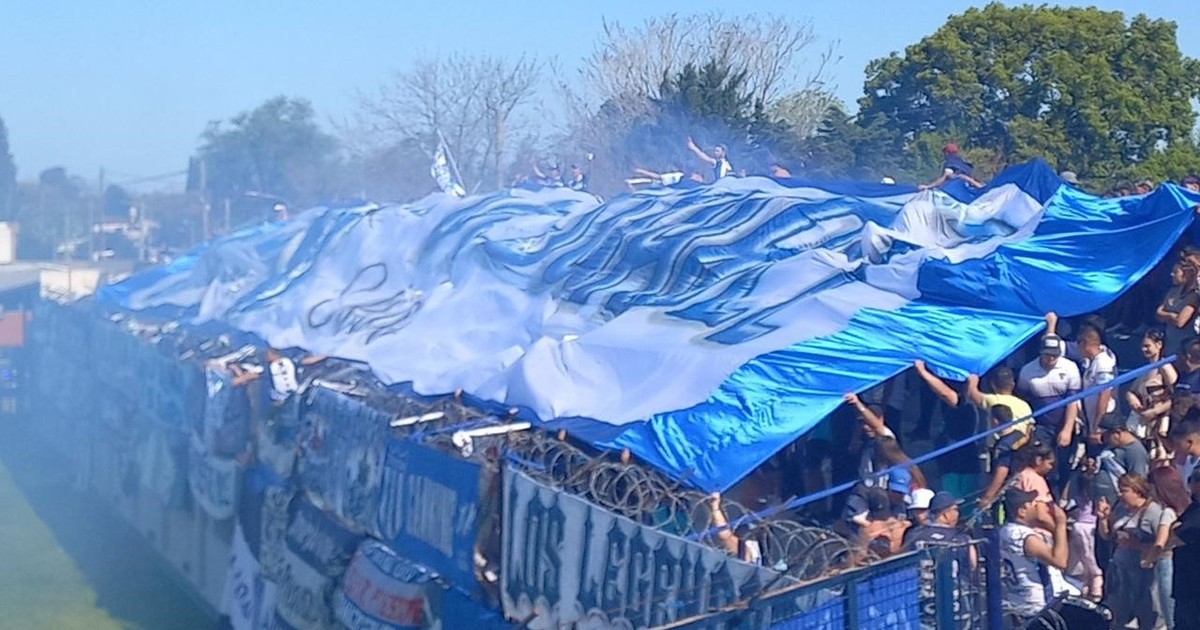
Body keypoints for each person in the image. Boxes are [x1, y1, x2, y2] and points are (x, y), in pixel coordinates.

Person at [1097, 474, 1165, 630]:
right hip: (1120, 572)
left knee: (1147, 615)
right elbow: (1108, 536)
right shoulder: (1122, 509)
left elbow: (1164, 544)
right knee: (1116, 614)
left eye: (1124, 490)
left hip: (1143, 574)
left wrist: (1139, 545)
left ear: (1138, 491)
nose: (1120, 495)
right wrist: (1104, 519)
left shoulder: (1153, 512)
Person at [1018, 334, 1083, 491]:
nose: (1051, 358)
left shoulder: (1070, 368)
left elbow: (1073, 401)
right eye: (1048, 354)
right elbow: (1023, 398)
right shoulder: (1027, 371)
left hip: (1063, 423)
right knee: (1041, 462)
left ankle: (1060, 496)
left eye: (1055, 354)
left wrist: (1067, 429)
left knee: (1063, 463)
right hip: (1041, 425)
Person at [999, 488, 1073, 625]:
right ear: (1022, 511)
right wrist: (1060, 524)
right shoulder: (1025, 537)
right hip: (1034, 605)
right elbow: (1060, 561)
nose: (1038, 506)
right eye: (1033, 503)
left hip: (1016, 600)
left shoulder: (1004, 531)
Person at [912, 360, 984, 498]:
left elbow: (945, 393)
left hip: (956, 458)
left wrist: (923, 372)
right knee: (965, 498)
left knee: (955, 499)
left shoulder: (962, 403)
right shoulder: (974, 401)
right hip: (966, 457)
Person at [1148, 466, 1191, 630]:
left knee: (1170, 614)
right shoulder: (1189, 507)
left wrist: (1148, 559)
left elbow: (1160, 542)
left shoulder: (1167, 512)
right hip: (1185, 563)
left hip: (1166, 562)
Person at [1128, 329, 1178, 451]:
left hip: (1161, 423)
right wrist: (1133, 401)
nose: (1143, 349)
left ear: (1159, 344)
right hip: (1145, 420)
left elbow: (1177, 396)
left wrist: (1156, 411)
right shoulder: (1147, 368)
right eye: (1142, 346)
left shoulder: (1165, 367)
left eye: (1147, 346)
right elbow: (1132, 391)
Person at [980, 405, 1031, 508]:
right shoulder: (1020, 436)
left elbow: (1002, 472)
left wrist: (987, 497)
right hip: (1025, 486)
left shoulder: (1003, 445)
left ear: (995, 421)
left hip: (1008, 492)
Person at [1171, 469, 1200, 630]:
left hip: (1194, 582)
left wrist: (1175, 530)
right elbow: (1175, 527)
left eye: (1192, 481)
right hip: (1185, 581)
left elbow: (1179, 535)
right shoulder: (1193, 507)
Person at [966, 366, 1034, 431]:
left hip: (1004, 438)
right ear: (1013, 384)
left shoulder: (994, 400)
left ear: (992, 385)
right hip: (1023, 437)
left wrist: (973, 375)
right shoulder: (1024, 405)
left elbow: (971, 393)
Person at [1157, 262, 1199, 356]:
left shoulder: (1194, 295)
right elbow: (1158, 313)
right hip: (1169, 342)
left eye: (1175, 272)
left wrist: (1167, 315)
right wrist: (1172, 316)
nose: (1172, 274)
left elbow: (1180, 322)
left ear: (1186, 274)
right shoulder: (1173, 291)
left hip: (1185, 346)